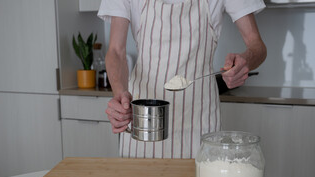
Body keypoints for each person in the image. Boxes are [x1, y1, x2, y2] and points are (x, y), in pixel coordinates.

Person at [98, 0, 267, 159]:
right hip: (144, 121)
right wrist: (120, 93)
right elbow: (116, 51)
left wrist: (245, 61)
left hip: (200, 122)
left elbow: (257, 46)